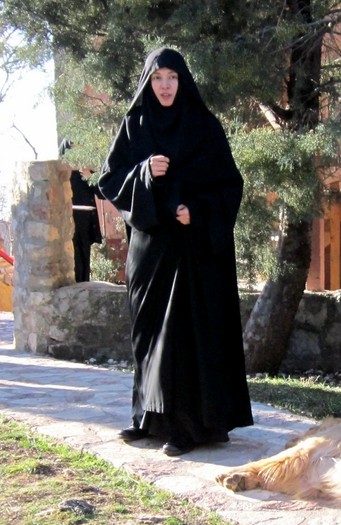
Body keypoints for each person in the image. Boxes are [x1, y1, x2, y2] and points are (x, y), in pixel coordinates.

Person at [98, 47, 253, 456]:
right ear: (148, 83)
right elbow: (109, 180)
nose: (165, 85)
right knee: (149, 335)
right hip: (150, 252)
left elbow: (230, 186)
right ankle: (148, 418)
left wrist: (197, 211)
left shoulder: (204, 126)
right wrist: (143, 171)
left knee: (183, 337)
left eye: (172, 77)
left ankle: (186, 427)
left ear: (182, 81)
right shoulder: (134, 125)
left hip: (193, 253)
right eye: (158, 78)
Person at [59, 140, 103, 282]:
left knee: (84, 260)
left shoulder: (86, 170)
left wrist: (90, 177)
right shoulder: (61, 174)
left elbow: (102, 193)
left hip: (86, 223)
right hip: (70, 222)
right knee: (74, 260)